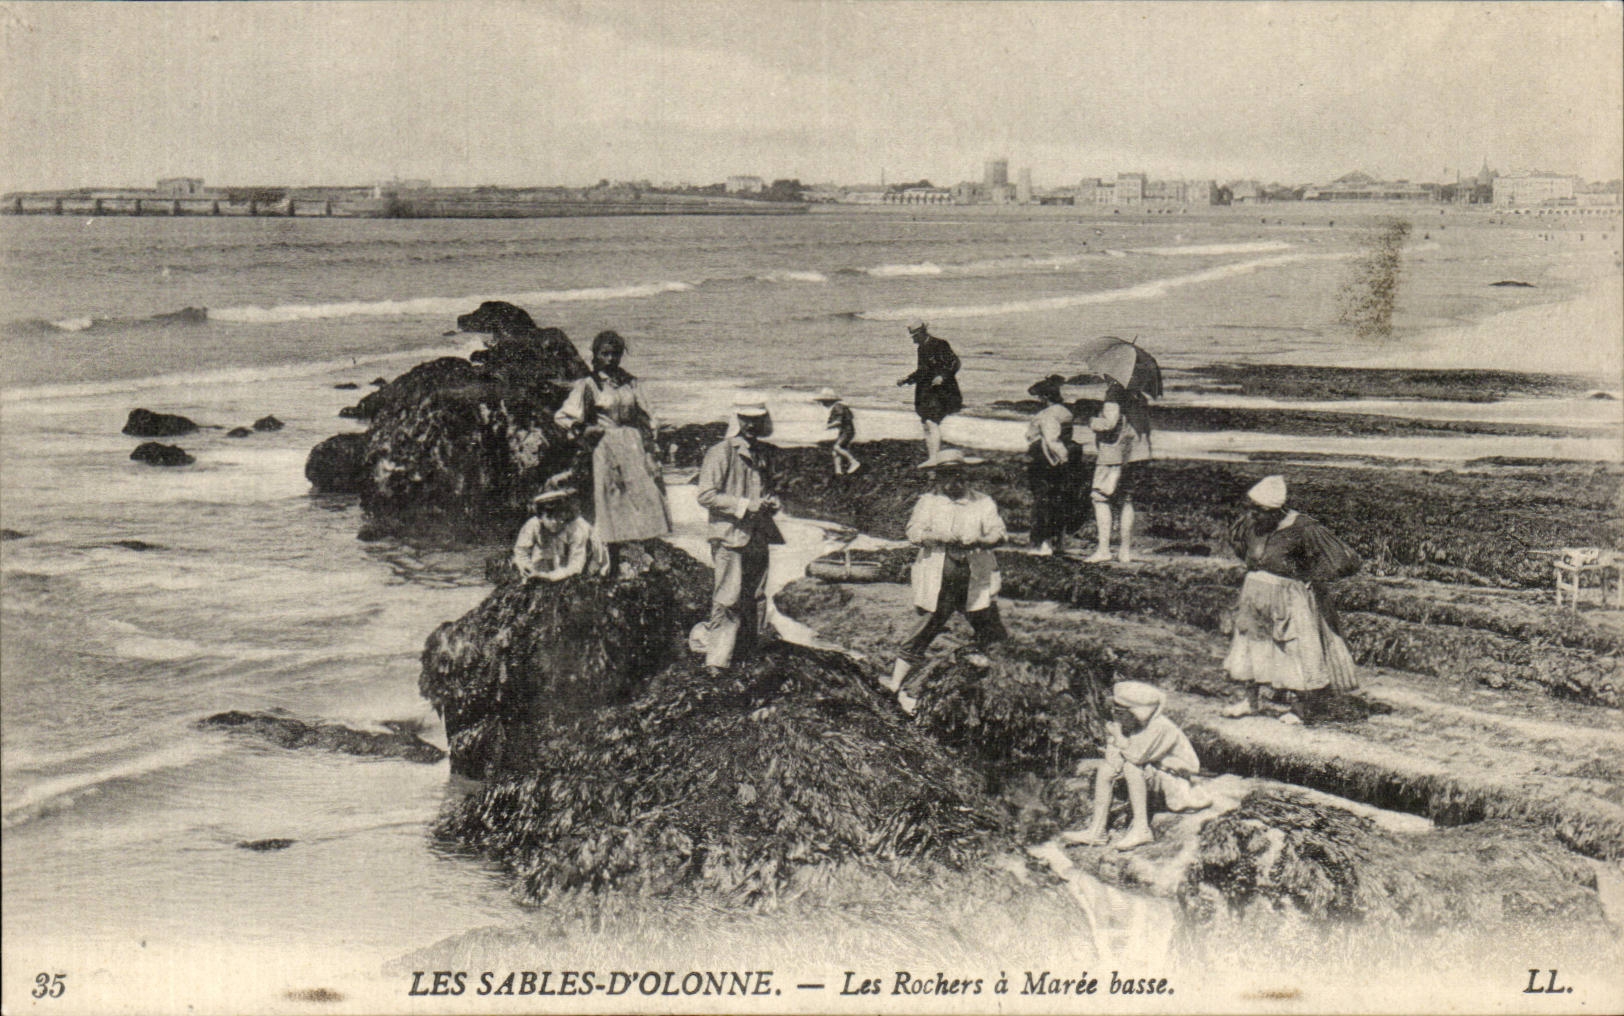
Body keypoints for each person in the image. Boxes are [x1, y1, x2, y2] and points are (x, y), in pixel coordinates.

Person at [1223, 475, 1362, 723]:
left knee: (1292, 649)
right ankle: (1250, 701)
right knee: (1249, 644)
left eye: (1261, 511)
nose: (1254, 516)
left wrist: (1313, 576)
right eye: (1252, 509)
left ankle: (1298, 708)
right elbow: (1240, 545)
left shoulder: (1303, 527)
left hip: (1289, 598)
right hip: (1255, 595)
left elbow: (1346, 560)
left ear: (1278, 511)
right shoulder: (1252, 522)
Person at [883, 455, 1007, 715]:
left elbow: (999, 533)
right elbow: (913, 532)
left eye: (958, 475)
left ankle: (989, 678)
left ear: (966, 475)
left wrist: (981, 539)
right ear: (938, 478)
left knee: (988, 626)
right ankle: (894, 685)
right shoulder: (928, 502)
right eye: (947, 476)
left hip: (973, 575)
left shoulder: (982, 502)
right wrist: (936, 536)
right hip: (939, 575)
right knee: (925, 626)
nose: (953, 482)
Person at [554, 331, 672, 569]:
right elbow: (564, 416)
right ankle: (612, 556)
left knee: (646, 493)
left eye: (615, 354)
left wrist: (652, 439)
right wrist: (583, 429)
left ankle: (646, 550)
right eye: (604, 354)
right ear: (595, 355)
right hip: (605, 446)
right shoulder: (588, 385)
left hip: (633, 443)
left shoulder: (630, 382)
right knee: (612, 498)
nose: (610, 359)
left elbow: (648, 414)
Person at [1061, 680, 1210, 851]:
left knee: (1132, 768)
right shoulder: (1133, 725)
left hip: (1175, 781)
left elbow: (1136, 757)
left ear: (1138, 712)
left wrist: (1118, 737)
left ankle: (1141, 829)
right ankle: (1097, 830)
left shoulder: (1160, 727)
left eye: (1120, 712)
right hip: (1154, 773)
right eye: (1114, 711)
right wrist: (1116, 742)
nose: (1115, 716)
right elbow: (1113, 761)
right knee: (1105, 770)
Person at [691, 400, 784, 671]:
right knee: (727, 598)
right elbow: (705, 495)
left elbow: (764, 491)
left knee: (755, 596)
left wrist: (771, 501)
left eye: (757, 419)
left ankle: (748, 653)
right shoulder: (721, 452)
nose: (752, 424)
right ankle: (718, 662)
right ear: (738, 420)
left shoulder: (762, 453)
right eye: (746, 419)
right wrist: (745, 505)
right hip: (729, 535)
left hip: (758, 534)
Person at [1085, 379, 1152, 563]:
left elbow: (1109, 423)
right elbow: (1145, 426)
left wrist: (1091, 420)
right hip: (1137, 454)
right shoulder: (1140, 395)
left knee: (1100, 498)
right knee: (1127, 500)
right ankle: (1125, 551)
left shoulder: (1114, 392)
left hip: (1113, 454)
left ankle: (1104, 549)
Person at [895, 320, 963, 467]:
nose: (913, 339)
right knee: (926, 422)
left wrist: (942, 376)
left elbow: (955, 363)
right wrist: (907, 380)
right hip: (926, 391)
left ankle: (934, 458)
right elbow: (922, 371)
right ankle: (932, 457)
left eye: (914, 336)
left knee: (931, 421)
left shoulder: (940, 344)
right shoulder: (921, 348)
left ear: (921, 333)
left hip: (941, 391)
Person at [1025, 375, 1076, 556]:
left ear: (1045, 398)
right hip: (1064, 458)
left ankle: (1043, 543)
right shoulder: (1065, 412)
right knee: (1060, 500)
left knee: (1043, 501)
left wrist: (1061, 457)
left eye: (1040, 397)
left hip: (1046, 460)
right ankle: (1059, 542)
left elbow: (1051, 440)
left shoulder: (1046, 415)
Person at [511, 487, 609, 582]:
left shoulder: (577, 528)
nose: (555, 521)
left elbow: (576, 567)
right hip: (557, 560)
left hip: (589, 563)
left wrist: (546, 577)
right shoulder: (534, 524)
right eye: (549, 517)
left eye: (559, 515)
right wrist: (527, 569)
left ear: (565, 513)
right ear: (540, 517)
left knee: (582, 581)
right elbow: (521, 550)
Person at [813, 387, 861, 476]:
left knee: (837, 447)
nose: (822, 404)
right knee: (836, 452)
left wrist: (827, 426)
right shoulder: (839, 407)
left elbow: (838, 422)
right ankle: (838, 471)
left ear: (828, 400)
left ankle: (853, 462)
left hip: (847, 431)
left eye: (823, 401)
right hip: (846, 431)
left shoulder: (838, 407)